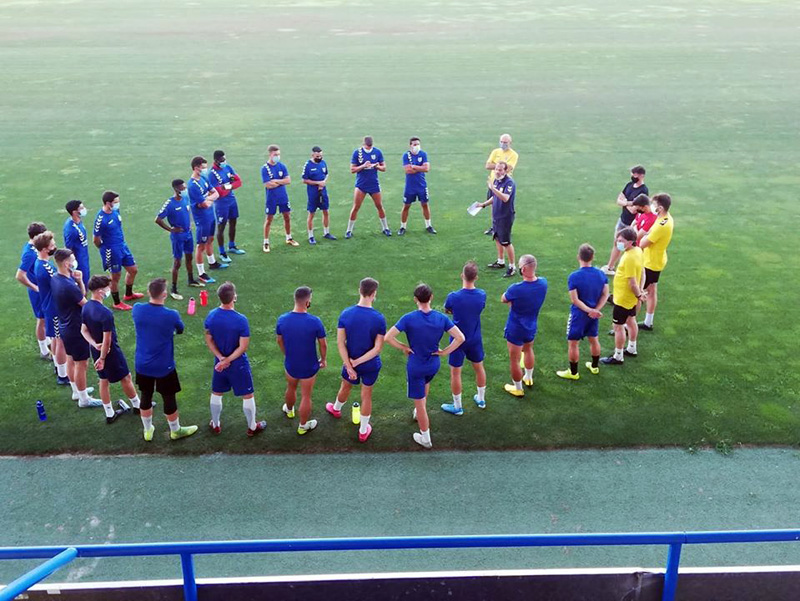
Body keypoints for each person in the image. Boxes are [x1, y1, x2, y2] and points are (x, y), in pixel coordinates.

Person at [384, 284, 465, 449]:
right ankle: (418, 412)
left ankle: (425, 437)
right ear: (431, 297)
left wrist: (404, 347)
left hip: (416, 366)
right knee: (425, 386)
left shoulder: (408, 318)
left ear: (415, 299)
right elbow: (460, 338)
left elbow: (388, 338)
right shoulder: (441, 318)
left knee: (420, 405)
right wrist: (445, 352)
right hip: (433, 364)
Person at [132, 278, 198, 441]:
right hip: (164, 366)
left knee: (145, 395)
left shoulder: (137, 309)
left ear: (149, 292)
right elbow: (180, 329)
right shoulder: (171, 315)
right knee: (169, 397)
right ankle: (175, 430)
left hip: (143, 364)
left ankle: (147, 430)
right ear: (164, 294)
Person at [327, 277, 386, 443]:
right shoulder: (379, 318)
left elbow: (340, 343)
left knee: (345, 386)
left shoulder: (346, 314)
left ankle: (336, 409)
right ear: (373, 294)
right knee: (366, 395)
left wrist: (350, 365)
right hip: (370, 364)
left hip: (350, 362)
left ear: (360, 291)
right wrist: (357, 363)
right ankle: (363, 430)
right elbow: (377, 348)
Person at [204, 282, 266, 437]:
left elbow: (209, 339)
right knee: (247, 395)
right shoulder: (241, 320)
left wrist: (220, 359)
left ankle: (216, 424)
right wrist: (228, 360)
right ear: (234, 298)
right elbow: (243, 346)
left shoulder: (211, 316)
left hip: (219, 363)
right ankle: (252, 427)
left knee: (217, 392)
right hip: (238, 363)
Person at [81, 275, 142, 424]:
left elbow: (84, 330)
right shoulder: (105, 313)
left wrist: (94, 345)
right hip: (110, 352)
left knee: (103, 380)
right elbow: (107, 339)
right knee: (125, 377)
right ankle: (137, 406)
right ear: (101, 291)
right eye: (108, 287)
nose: (109, 290)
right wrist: (103, 358)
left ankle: (109, 413)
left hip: (96, 349)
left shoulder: (86, 307)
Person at [50, 249, 102, 407]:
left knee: (71, 360)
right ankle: (84, 399)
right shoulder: (67, 286)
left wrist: (79, 280)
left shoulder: (56, 279)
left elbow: (80, 295)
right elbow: (86, 304)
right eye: (72, 260)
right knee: (81, 364)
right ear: (67, 264)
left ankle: (77, 391)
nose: (74, 262)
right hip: (75, 328)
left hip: (65, 325)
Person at [276, 286, 327, 435]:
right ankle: (303, 426)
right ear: (307, 302)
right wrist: (323, 360)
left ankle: (290, 410)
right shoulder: (314, 321)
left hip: (291, 363)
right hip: (309, 366)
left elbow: (279, 341)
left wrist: (287, 354)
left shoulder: (282, 319)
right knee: (306, 395)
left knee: (291, 387)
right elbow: (323, 344)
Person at [556, 244, 609, 380]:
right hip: (594, 315)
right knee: (594, 340)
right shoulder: (601, 275)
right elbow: (605, 294)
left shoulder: (574, 276)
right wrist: (595, 310)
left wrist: (588, 310)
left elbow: (575, 299)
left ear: (578, 257)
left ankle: (573, 373)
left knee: (573, 343)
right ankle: (595, 366)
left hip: (578, 315)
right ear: (593, 257)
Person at [441, 262, 487, 415]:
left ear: (462, 276)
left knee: (456, 373)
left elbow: (447, 309)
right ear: (476, 277)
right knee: (479, 368)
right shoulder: (481, 294)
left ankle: (457, 406)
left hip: (457, 340)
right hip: (475, 338)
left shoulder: (453, 296)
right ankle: (481, 399)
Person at [501, 255, 548, 396]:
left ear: (524, 269)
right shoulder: (543, 283)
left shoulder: (516, 289)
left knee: (514, 360)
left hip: (515, 328)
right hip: (531, 325)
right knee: (528, 350)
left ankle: (518, 388)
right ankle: (528, 377)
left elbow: (504, 298)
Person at [601, 228, 645, 365]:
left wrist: (639, 294)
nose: (618, 243)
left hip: (623, 298)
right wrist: (640, 292)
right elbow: (642, 272)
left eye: (621, 241)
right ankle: (632, 348)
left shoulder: (628, 257)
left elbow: (632, 282)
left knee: (618, 326)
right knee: (631, 320)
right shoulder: (638, 251)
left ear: (630, 242)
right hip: (630, 298)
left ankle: (618, 356)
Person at [93, 190, 143, 310]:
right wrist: (105, 249)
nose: (118, 204)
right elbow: (96, 239)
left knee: (133, 270)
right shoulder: (101, 219)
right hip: (111, 249)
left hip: (122, 245)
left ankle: (129, 294)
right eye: (116, 202)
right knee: (115, 276)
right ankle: (116, 302)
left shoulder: (115, 211)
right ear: (107, 203)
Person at [155, 179, 204, 300]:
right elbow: (158, 219)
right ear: (176, 189)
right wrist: (171, 229)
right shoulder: (170, 203)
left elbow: (187, 212)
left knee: (189, 257)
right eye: (182, 189)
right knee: (177, 262)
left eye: (185, 188)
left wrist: (189, 223)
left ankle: (191, 280)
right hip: (178, 236)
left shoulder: (185, 199)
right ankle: (174, 289)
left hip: (188, 233)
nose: (185, 190)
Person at [33, 231, 70, 385]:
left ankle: (58, 367)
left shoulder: (40, 263)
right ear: (45, 249)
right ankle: (63, 376)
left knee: (55, 339)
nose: (55, 247)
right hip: (54, 308)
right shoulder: (45, 267)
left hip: (50, 306)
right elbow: (59, 282)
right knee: (60, 340)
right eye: (52, 245)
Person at [600, 166, 649, 275]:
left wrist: (625, 202)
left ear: (641, 175)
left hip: (631, 224)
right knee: (617, 243)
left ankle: (628, 270)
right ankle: (610, 267)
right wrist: (629, 202)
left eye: (634, 174)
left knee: (628, 247)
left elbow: (633, 210)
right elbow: (619, 200)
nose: (632, 176)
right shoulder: (629, 185)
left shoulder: (643, 190)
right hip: (622, 220)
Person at [638, 193, 674, 331]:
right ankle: (648, 321)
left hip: (650, 263)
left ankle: (628, 324)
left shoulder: (660, 225)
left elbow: (642, 243)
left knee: (639, 293)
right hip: (657, 260)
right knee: (652, 290)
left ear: (659, 207)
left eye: (653, 204)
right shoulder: (667, 218)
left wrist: (645, 234)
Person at [188, 156, 227, 283]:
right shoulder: (192, 185)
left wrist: (208, 199)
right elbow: (203, 204)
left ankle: (212, 263)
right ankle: (201, 273)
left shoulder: (204, 178)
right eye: (203, 167)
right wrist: (209, 199)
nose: (206, 170)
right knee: (201, 245)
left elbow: (216, 193)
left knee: (210, 239)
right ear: (196, 168)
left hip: (210, 215)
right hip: (202, 219)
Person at [16, 221, 50, 359]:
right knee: (41, 320)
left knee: (46, 318)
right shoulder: (30, 254)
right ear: (36, 237)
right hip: (38, 292)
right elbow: (19, 275)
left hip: (43, 290)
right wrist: (35, 288)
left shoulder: (34, 248)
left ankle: (47, 341)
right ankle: (44, 351)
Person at [477, 161, 517, 277]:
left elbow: (505, 198)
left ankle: (512, 266)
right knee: (497, 238)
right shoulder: (496, 180)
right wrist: (483, 204)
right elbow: (495, 197)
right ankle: (500, 261)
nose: (497, 171)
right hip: (497, 215)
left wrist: (492, 188)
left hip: (505, 216)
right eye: (496, 169)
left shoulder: (509, 183)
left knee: (506, 242)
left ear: (506, 171)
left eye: (500, 170)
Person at [345, 136, 390, 238]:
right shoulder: (357, 153)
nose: (369, 148)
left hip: (374, 184)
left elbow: (384, 168)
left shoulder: (377, 152)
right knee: (356, 207)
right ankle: (349, 230)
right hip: (361, 185)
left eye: (370, 147)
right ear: (363, 144)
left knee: (379, 206)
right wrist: (363, 166)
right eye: (367, 146)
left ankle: (385, 228)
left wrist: (376, 166)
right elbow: (352, 170)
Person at [207, 149, 245, 260]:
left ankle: (232, 246)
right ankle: (222, 252)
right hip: (221, 203)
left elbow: (238, 182)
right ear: (216, 160)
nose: (224, 161)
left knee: (233, 222)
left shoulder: (228, 168)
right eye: (221, 160)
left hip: (231, 200)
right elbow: (219, 192)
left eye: (224, 159)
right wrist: (229, 186)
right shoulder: (212, 174)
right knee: (221, 227)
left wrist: (227, 186)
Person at [261, 144, 298, 252]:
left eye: (279, 154)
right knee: (269, 219)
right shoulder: (265, 168)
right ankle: (266, 242)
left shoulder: (282, 166)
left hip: (283, 197)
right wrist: (281, 181)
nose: (277, 156)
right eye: (275, 154)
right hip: (271, 198)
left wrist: (276, 181)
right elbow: (268, 184)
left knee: (287, 216)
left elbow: (288, 180)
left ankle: (289, 238)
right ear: (270, 154)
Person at [482, 134, 519, 236]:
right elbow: (487, 165)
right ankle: (494, 226)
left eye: (505, 142)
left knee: (503, 205)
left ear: (510, 143)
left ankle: (504, 226)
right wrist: (500, 166)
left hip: (504, 183)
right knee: (493, 205)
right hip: (493, 182)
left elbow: (508, 168)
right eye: (501, 142)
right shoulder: (495, 151)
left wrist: (497, 166)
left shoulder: (513, 154)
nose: (503, 144)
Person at [398, 137, 435, 235]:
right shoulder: (406, 155)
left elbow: (426, 168)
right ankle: (403, 227)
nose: (417, 146)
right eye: (414, 144)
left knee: (425, 205)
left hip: (421, 185)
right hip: (410, 186)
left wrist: (414, 166)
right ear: (410, 145)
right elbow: (408, 170)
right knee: (406, 206)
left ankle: (428, 226)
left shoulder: (423, 154)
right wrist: (420, 167)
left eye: (418, 144)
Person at [301, 146, 336, 244]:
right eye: (317, 156)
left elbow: (326, 174)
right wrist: (318, 183)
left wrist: (324, 182)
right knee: (311, 213)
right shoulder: (308, 165)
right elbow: (304, 180)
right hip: (313, 193)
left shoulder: (323, 163)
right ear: (312, 155)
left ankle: (326, 232)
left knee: (326, 211)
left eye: (321, 155)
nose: (319, 157)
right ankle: (311, 236)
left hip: (323, 192)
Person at [63, 200, 91, 289]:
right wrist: (72, 265)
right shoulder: (71, 230)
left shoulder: (78, 221)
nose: (84, 209)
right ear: (75, 212)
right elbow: (68, 248)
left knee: (85, 284)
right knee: (82, 286)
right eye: (81, 208)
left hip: (84, 258)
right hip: (79, 262)